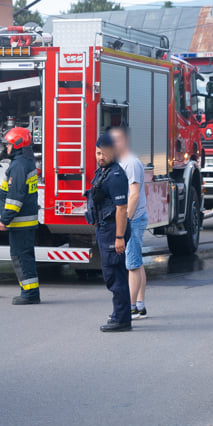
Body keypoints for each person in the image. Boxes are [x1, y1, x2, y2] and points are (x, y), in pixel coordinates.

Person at [86, 133, 132, 332]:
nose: (100, 157)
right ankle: (119, 314)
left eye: (104, 153)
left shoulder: (115, 176)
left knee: (115, 275)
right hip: (105, 229)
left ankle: (121, 319)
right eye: (97, 153)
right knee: (112, 275)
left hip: (114, 230)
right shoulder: (103, 171)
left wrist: (119, 237)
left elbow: (122, 209)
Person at [0, 126, 40, 305]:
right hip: (26, 222)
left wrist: (4, 218)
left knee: (21, 258)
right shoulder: (26, 162)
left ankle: (29, 294)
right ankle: (30, 292)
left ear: (17, 143)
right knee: (25, 257)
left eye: (8, 144)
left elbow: (15, 197)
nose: (6, 147)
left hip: (20, 223)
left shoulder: (18, 166)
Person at [110, 127, 148, 320]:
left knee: (132, 264)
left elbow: (133, 195)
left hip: (134, 218)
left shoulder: (131, 163)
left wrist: (125, 221)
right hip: (136, 217)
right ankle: (140, 305)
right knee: (137, 262)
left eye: (117, 140)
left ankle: (131, 307)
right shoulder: (123, 162)